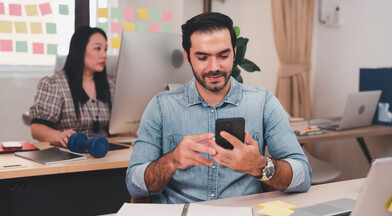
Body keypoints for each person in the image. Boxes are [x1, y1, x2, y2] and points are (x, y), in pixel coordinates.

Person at [126, 12, 312, 204]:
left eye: (223, 55)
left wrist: (260, 166)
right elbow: (134, 185)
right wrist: (172, 161)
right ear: (188, 57)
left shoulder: (263, 102)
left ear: (234, 52)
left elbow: (303, 176)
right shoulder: (160, 107)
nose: (214, 67)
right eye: (203, 57)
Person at [29, 26, 113, 147]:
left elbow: (118, 128)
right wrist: (59, 135)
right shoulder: (55, 85)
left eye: (105, 49)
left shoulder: (111, 86)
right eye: (98, 48)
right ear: (80, 50)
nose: (104, 55)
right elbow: (36, 129)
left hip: (106, 153)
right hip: (70, 154)